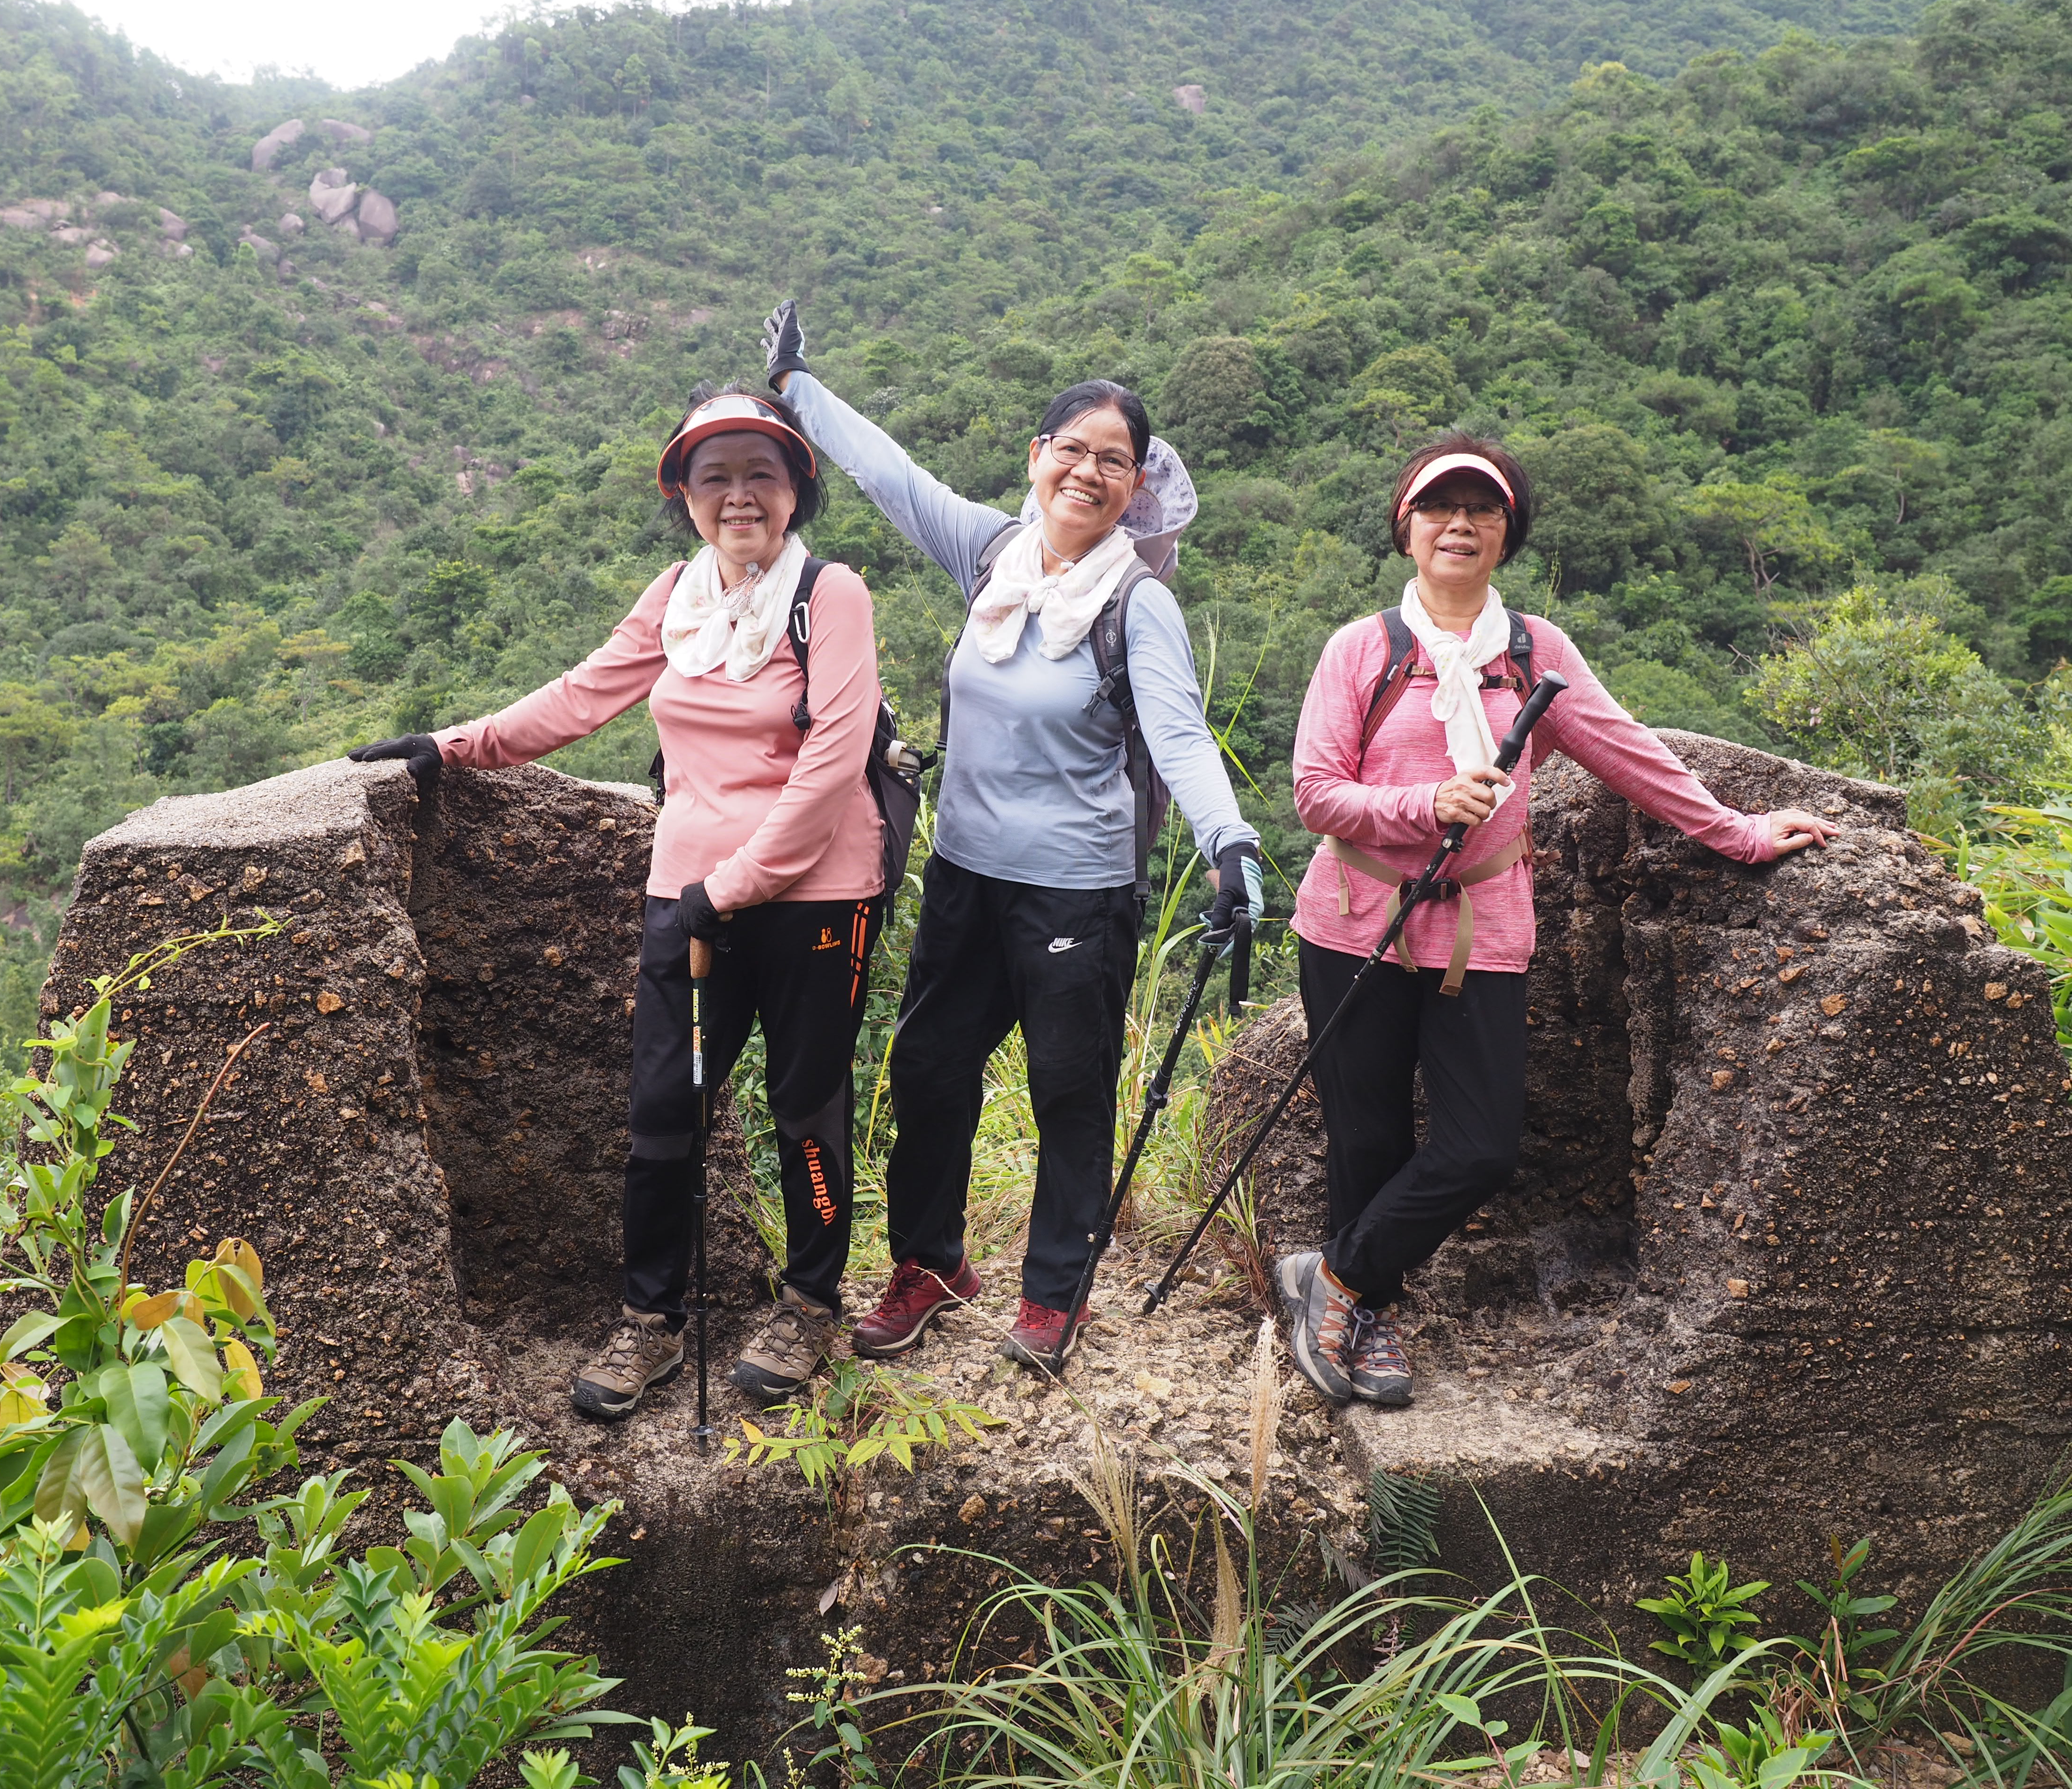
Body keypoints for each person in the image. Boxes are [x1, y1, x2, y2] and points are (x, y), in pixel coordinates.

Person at [348, 387, 888, 1422]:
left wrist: (731, 888)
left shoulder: (832, 596)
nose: (739, 495)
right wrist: (453, 746)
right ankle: (650, 1317)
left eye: (762, 473)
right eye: (715, 475)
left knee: (807, 1105)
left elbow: (832, 761)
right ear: (684, 494)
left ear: (797, 490)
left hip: (815, 894)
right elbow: (585, 693)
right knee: (662, 1110)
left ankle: (810, 1305)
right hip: (689, 897)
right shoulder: (679, 596)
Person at [1276, 435, 1839, 1407]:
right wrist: (1425, 804)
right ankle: (1365, 1312)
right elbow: (1316, 794)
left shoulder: (1534, 654)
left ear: (1508, 533)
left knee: (1481, 1147)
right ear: (1406, 529)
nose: (1459, 524)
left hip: (1481, 931)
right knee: (1368, 1138)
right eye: (1439, 507)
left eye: (1482, 510)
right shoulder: (1362, 649)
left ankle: (1331, 1278)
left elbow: (1628, 752)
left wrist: (1740, 833)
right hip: (1357, 920)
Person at [760, 299, 1264, 1369]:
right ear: (1037, 457)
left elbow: (1178, 735)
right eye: (1072, 449)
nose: (1088, 472)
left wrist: (1230, 842)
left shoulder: (1138, 603)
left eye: (1114, 461)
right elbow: (892, 477)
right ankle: (930, 1263)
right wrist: (798, 389)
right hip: (965, 876)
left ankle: (1054, 1293)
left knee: (1067, 1090)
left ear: (1137, 485)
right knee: (928, 1067)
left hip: (1078, 890)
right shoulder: (995, 554)